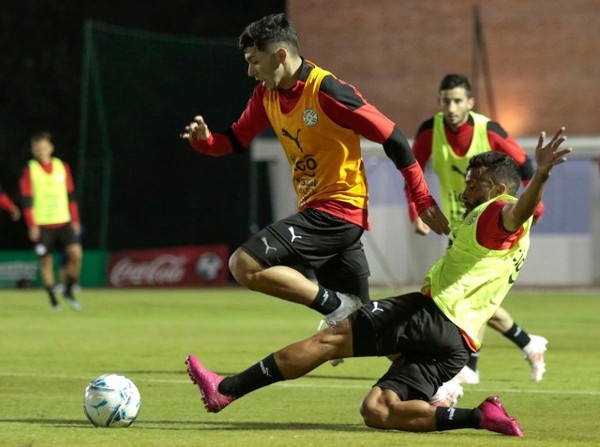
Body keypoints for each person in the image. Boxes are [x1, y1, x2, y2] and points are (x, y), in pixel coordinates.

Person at [185, 128, 571, 437]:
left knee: (330, 339)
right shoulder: (504, 228)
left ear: (497, 189)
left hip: (432, 316)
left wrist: (540, 174)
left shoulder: (497, 212)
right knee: (377, 410)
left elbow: (519, 211)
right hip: (457, 345)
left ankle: (226, 389)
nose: (464, 190)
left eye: (473, 184)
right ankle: (479, 416)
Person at [180, 14, 448, 330]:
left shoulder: (328, 91)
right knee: (363, 329)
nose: (250, 71)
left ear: (279, 55)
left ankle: (335, 306)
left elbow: (393, 137)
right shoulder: (266, 96)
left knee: (244, 264)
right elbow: (235, 139)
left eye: (254, 62)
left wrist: (422, 198)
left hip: (338, 211)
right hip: (319, 213)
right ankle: (438, 376)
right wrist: (206, 141)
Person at [406, 74, 547, 383]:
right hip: (459, 225)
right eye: (446, 101)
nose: (452, 107)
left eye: (458, 101)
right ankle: (526, 344)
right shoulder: (431, 131)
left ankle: (468, 365)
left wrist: (533, 209)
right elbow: (412, 170)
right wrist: (417, 209)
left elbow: (524, 165)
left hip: (493, 226)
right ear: (439, 102)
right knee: (468, 294)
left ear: (470, 103)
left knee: (461, 292)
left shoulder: (489, 131)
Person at [19, 131, 83, 311]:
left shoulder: (62, 167)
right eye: (38, 148)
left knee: (76, 254)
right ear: (33, 150)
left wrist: (75, 220)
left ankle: (69, 290)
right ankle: (53, 301)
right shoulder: (30, 169)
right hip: (42, 224)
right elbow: (26, 200)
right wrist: (32, 225)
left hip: (63, 221)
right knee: (46, 263)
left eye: (44, 147)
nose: (41, 151)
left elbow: (71, 195)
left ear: (51, 148)